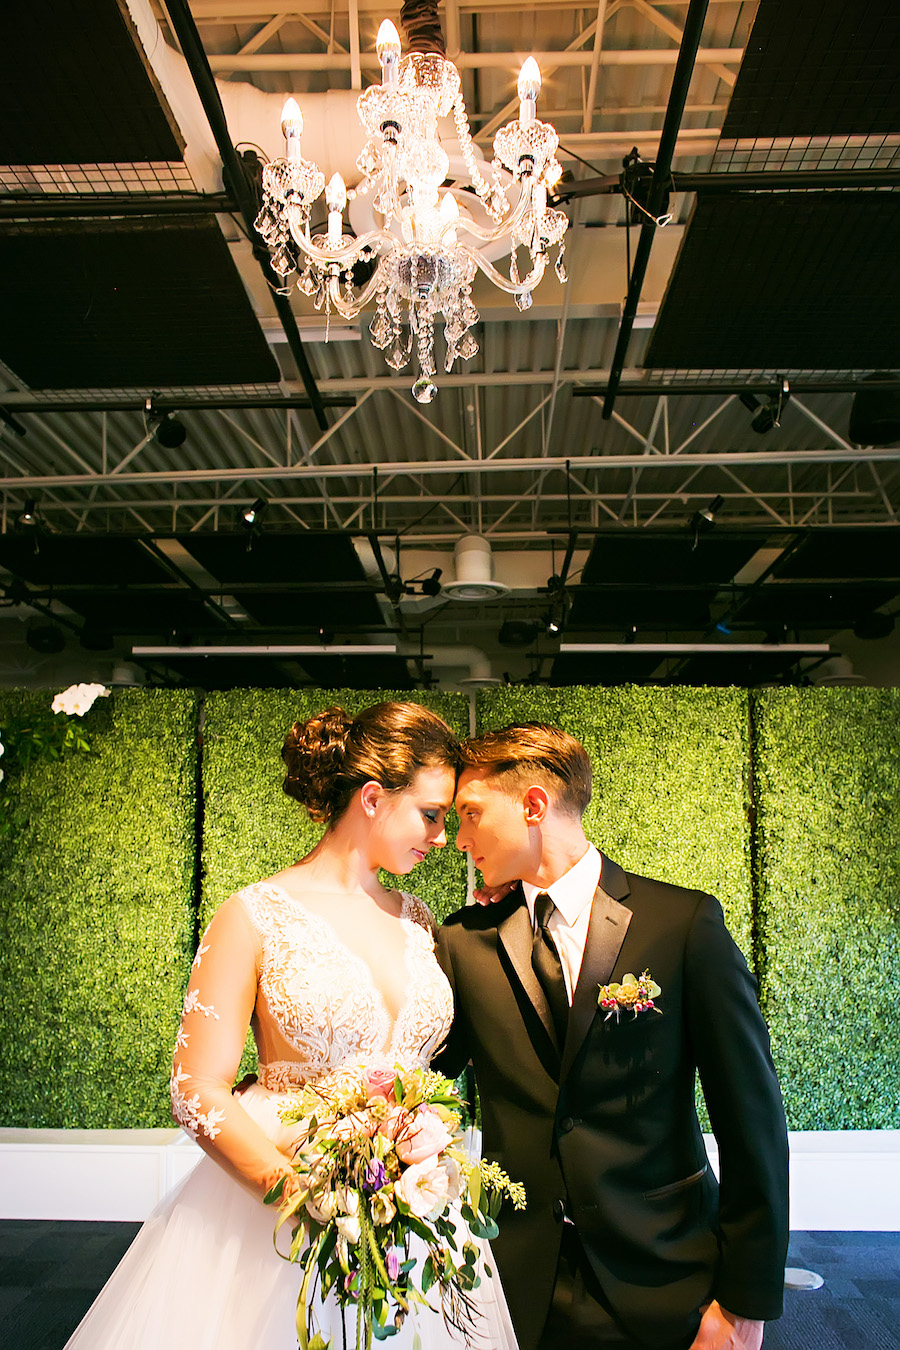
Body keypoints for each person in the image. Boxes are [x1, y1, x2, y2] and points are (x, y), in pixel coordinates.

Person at [64, 701, 517, 1350]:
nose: (441, 837)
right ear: (371, 798)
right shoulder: (253, 915)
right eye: (430, 815)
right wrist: (301, 1196)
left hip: (414, 1203)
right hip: (279, 1210)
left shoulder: (417, 917)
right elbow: (194, 1087)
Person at [435, 721, 789, 1350]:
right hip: (513, 1283)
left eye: (470, 813)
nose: (458, 839)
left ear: (534, 805)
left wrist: (743, 1304)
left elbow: (752, 1120)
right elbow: (423, 1080)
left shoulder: (682, 924)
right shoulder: (465, 942)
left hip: (663, 1274)